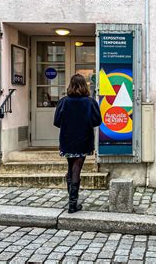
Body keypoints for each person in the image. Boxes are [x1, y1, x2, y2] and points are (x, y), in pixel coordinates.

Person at [53, 74, 102, 213]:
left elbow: (56, 121)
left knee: (71, 167)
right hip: (83, 139)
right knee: (76, 169)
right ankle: (72, 204)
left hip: (67, 139)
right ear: (84, 86)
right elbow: (97, 121)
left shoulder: (63, 101)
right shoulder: (90, 102)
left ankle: (72, 200)